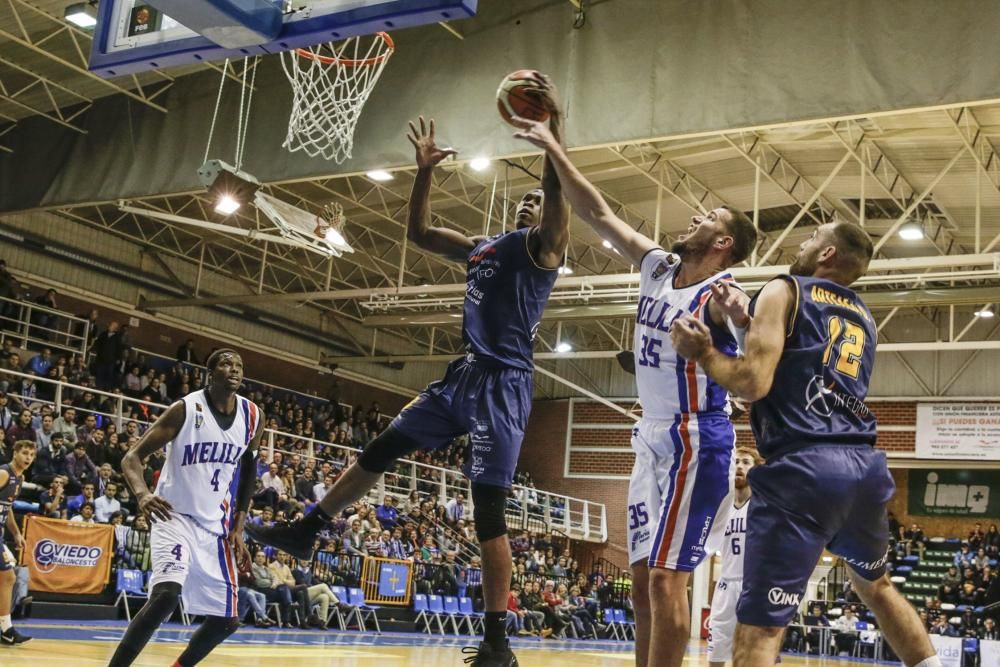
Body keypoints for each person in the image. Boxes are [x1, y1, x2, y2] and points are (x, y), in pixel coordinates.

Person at [247, 76, 569, 667]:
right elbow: (419, 233)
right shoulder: (482, 246)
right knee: (381, 448)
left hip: (504, 387)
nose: (530, 203)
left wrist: (553, 137)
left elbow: (555, 193)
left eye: (538, 201)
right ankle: (308, 528)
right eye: (523, 199)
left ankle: (499, 643)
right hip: (462, 377)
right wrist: (423, 170)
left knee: (488, 514)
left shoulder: (544, 251)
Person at [510, 115, 757, 667]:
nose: (695, 215)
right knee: (644, 580)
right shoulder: (659, 267)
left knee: (669, 581)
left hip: (696, 439)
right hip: (651, 437)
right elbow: (597, 211)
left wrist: (739, 330)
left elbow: (754, 344)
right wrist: (553, 145)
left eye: (709, 217)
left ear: (722, 242)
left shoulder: (723, 295)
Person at [670, 222, 939, 667]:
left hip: (804, 468)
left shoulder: (785, 288)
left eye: (814, 235)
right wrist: (744, 324)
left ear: (827, 253)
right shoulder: (862, 315)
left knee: (759, 628)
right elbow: (803, 367)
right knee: (876, 587)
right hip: (863, 467)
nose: (804, 239)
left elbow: (753, 382)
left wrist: (702, 353)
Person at [107, 349, 263, 667]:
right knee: (166, 596)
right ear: (210, 373)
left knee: (229, 619)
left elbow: (249, 472)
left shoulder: (253, 416)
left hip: (214, 525)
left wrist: (239, 526)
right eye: (225, 363)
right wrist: (143, 495)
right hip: (172, 513)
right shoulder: (186, 408)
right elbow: (131, 458)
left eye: (239, 365)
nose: (234, 369)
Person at [707, 447, 760, 667]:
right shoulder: (721, 508)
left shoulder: (763, 506)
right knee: (715, 656)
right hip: (725, 586)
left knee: (753, 655)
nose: (739, 466)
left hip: (753, 586)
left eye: (746, 462)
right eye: (736, 461)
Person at [0, 440, 34, 645]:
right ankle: (6, 628)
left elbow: (8, 507)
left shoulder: (19, 478)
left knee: (7, 578)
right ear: (15, 453)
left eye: (31, 454)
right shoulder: (4, 473)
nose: (28, 458)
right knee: (7, 577)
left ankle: (6, 628)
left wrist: (16, 533)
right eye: (24, 453)